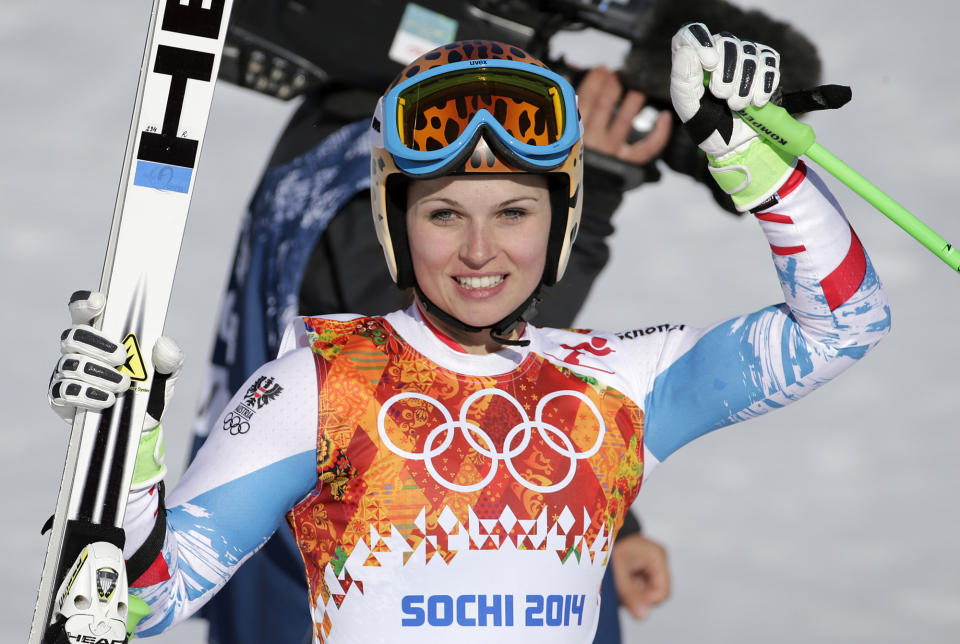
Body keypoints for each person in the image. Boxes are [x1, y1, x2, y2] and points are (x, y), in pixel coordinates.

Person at [49, 24, 889, 642]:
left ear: (561, 222)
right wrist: (122, 456)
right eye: (445, 213)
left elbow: (845, 322)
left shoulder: (621, 383)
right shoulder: (317, 387)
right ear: (393, 223)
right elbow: (137, 604)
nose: (480, 252)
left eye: (515, 213)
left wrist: (753, 160)